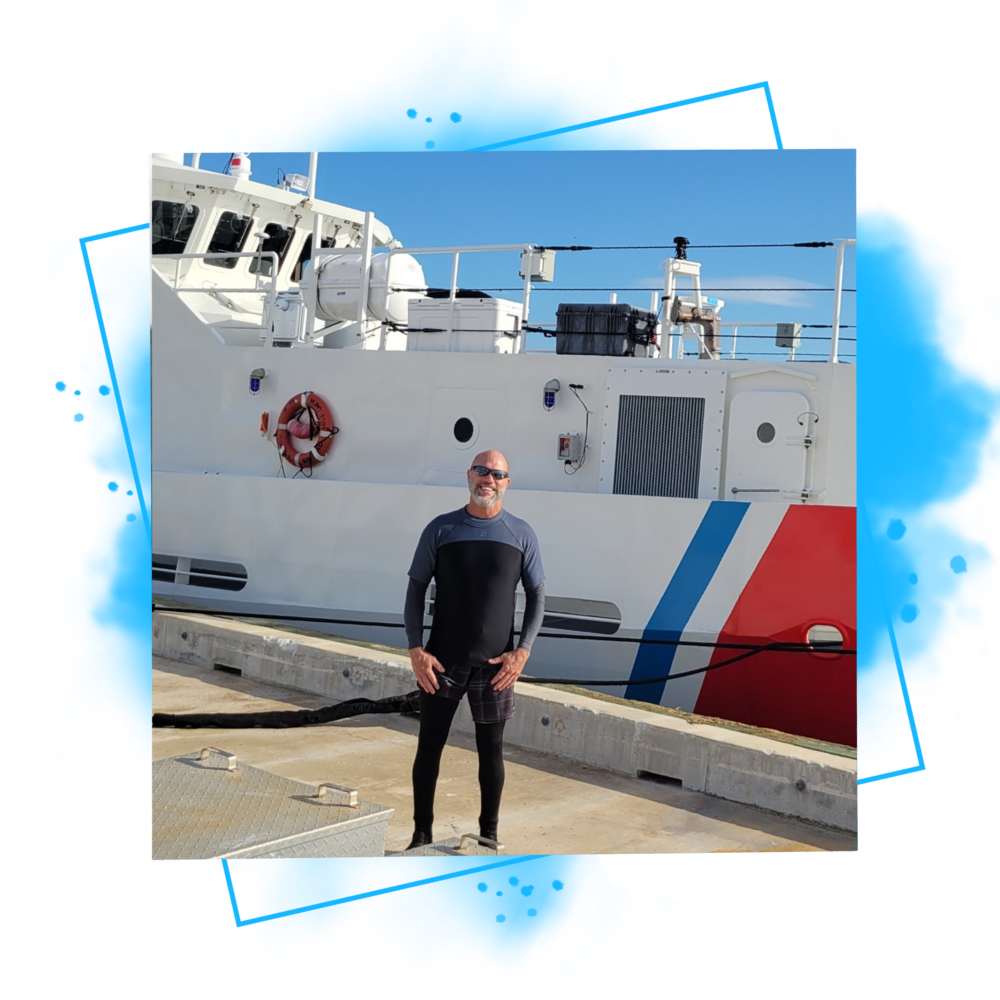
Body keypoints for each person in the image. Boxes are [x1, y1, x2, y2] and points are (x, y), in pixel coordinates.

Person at [403, 449, 545, 850]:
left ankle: (489, 835)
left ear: (506, 483)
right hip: (440, 661)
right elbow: (415, 589)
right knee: (429, 747)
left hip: (496, 666)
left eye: (497, 474)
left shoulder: (521, 533)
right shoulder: (441, 529)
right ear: (469, 475)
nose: (488, 479)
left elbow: (537, 595)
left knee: (492, 754)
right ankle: (421, 834)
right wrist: (416, 649)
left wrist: (523, 652)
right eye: (482, 471)